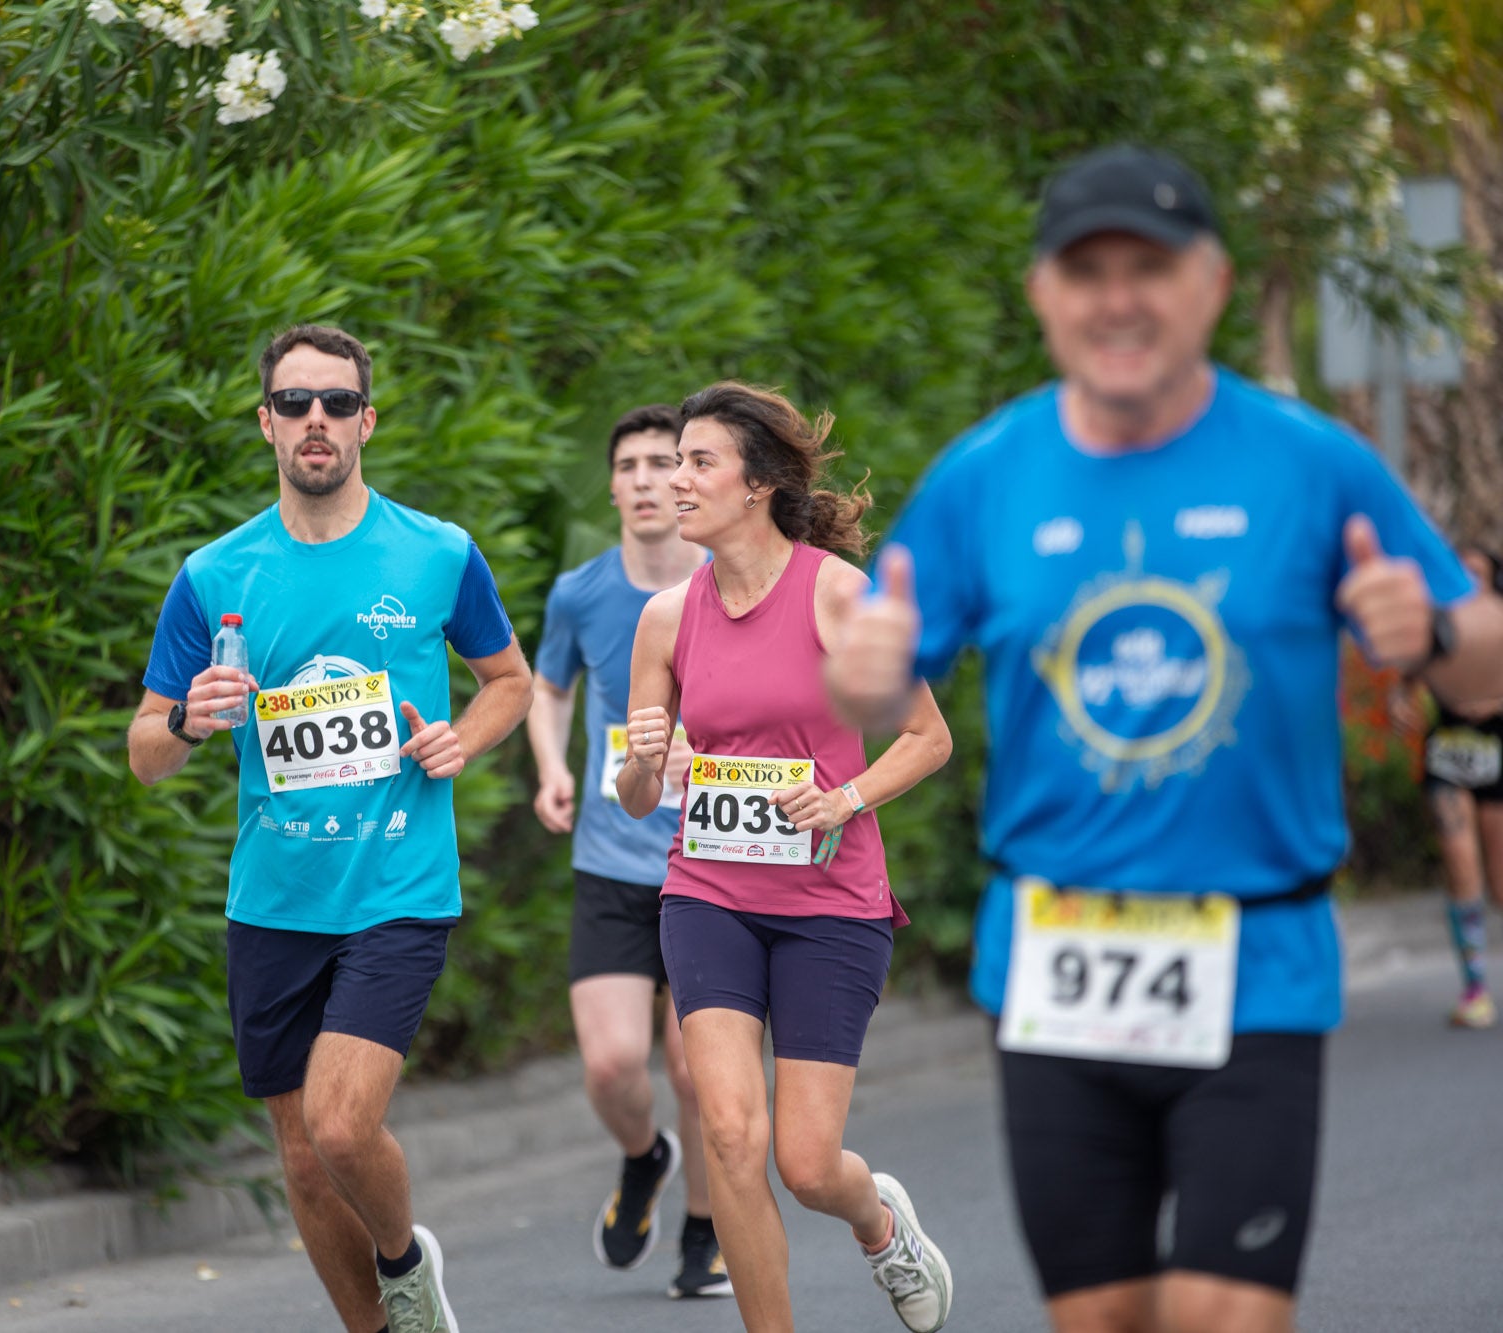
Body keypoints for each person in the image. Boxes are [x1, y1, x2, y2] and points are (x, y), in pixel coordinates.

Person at [825, 145, 1503, 1333]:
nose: (1117, 297)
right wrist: (867, 676)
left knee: (1222, 1317)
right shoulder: (987, 476)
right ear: (1042, 293)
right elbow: (876, 693)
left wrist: (1438, 625)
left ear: (1212, 284)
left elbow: (1481, 660)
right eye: (1085, 271)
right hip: (1054, 956)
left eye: (1151, 265)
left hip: (1255, 955)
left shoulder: (1306, 460)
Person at [127, 324, 532, 1333]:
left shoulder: (436, 552)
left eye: (337, 403)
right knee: (301, 1157)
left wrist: (460, 741)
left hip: (396, 880)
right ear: (265, 422)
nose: (317, 420)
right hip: (274, 897)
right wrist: (188, 717)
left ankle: (402, 1260)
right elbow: (144, 749)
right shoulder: (215, 575)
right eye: (296, 402)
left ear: (367, 421)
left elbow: (510, 682)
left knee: (342, 1127)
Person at [618, 381, 955, 1333]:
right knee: (728, 1133)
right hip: (707, 893)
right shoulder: (663, 618)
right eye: (673, 462)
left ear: (758, 484)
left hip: (831, 905)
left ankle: (881, 1224)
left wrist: (844, 797)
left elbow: (928, 738)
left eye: (697, 462)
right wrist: (644, 763)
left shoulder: (837, 594)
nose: (674, 481)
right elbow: (640, 795)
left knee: (808, 1164)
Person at [527, 404, 724, 1298]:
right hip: (611, 860)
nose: (647, 478)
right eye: (630, 464)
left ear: (687, 479)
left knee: (696, 1065)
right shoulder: (581, 592)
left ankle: (706, 1231)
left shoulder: (733, 585)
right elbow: (547, 684)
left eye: (663, 461)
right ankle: (645, 1158)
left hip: (713, 860)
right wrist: (551, 769)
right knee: (611, 1065)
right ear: (610, 485)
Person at [1394, 545, 1503, 1028]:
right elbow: (1407, 682)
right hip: (1449, 755)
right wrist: (1402, 701)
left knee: (1500, 885)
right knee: (1461, 866)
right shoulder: (1436, 628)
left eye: (1478, 574)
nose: (1469, 583)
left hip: (1497, 755)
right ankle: (1475, 990)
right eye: (1461, 574)